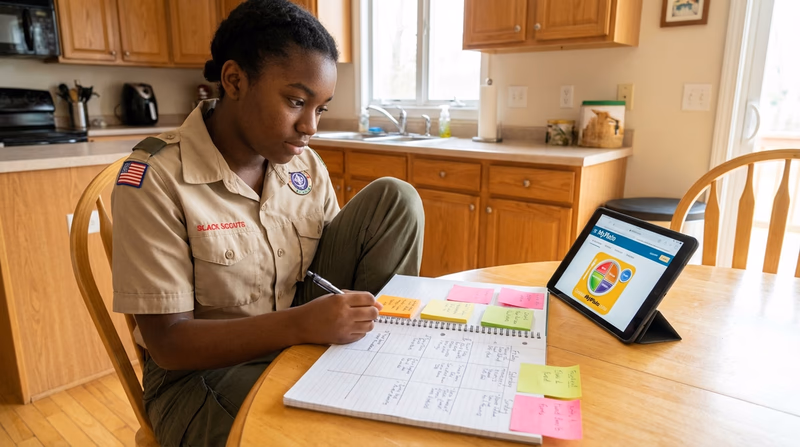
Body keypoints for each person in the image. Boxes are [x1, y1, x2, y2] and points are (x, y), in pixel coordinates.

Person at [110, 1, 425, 445]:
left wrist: (324, 320)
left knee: (397, 197)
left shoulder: (304, 166)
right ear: (235, 80)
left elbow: (333, 268)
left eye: (321, 109)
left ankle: (374, 359)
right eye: (296, 101)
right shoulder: (155, 178)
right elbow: (170, 345)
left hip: (297, 341)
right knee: (329, 433)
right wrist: (301, 325)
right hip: (201, 378)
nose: (310, 127)